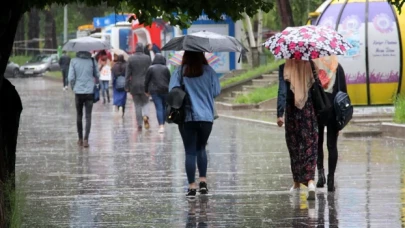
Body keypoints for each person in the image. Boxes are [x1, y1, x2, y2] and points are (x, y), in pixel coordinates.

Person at [169, 51, 221, 199]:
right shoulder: (209, 71)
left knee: (190, 151)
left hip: (187, 117)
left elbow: (172, 92)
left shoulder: (180, 71)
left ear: (185, 56)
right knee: (201, 148)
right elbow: (216, 91)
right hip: (206, 118)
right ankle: (203, 182)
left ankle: (192, 186)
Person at [277, 59, 318, 200]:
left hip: (291, 110)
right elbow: (316, 88)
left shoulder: (284, 67)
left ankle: (296, 184)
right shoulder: (310, 65)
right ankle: (311, 182)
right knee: (310, 145)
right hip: (308, 110)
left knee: (294, 146)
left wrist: (279, 114)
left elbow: (282, 91)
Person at [313, 56, 347, 192]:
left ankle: (321, 176)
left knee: (318, 143)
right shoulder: (337, 67)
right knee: (332, 145)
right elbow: (343, 93)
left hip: (318, 109)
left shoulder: (314, 66)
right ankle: (331, 179)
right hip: (333, 110)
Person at [68, 51, 99, 148]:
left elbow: (70, 78)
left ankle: (80, 138)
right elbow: (97, 75)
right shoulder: (92, 61)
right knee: (88, 116)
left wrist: (74, 87)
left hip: (78, 92)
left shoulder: (73, 61)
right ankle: (86, 139)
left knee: (79, 115)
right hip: (90, 92)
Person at [125, 43, 152, 130]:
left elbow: (127, 74)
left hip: (134, 85)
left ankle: (139, 124)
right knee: (146, 102)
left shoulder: (131, 59)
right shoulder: (147, 58)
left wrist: (126, 86)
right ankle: (145, 116)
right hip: (145, 85)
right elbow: (150, 71)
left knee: (137, 105)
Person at [144, 54, 170, 133]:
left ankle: (161, 126)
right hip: (165, 90)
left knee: (159, 107)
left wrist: (146, 91)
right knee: (164, 107)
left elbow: (146, 81)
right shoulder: (166, 68)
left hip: (154, 91)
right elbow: (169, 79)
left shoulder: (151, 68)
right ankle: (163, 123)